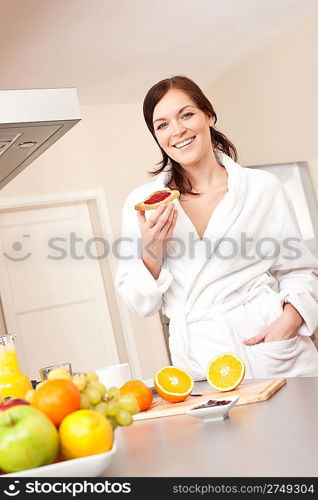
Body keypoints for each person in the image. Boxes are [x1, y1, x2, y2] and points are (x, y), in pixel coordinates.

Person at [115, 75, 318, 381]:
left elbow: (300, 270)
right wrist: (152, 251)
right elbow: (139, 303)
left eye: (186, 114)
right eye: (162, 124)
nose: (177, 130)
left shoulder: (263, 188)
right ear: (156, 136)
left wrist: (288, 323)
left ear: (208, 115)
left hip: (274, 351)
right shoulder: (143, 203)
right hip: (201, 360)